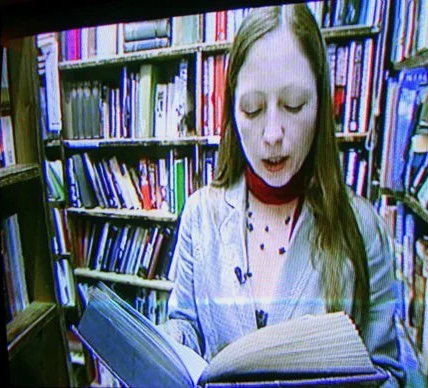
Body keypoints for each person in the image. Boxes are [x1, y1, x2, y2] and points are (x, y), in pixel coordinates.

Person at [161, 3, 405, 386]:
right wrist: (167, 343)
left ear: (321, 104)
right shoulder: (200, 213)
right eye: (253, 109)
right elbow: (185, 326)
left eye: (294, 105)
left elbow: (387, 374)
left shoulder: (363, 228)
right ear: (232, 112)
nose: (273, 134)